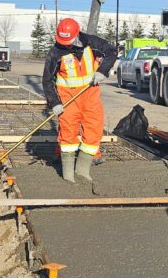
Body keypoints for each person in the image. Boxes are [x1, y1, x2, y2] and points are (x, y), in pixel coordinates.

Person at [42, 18, 117, 183]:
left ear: (77, 34)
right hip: (69, 101)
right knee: (67, 135)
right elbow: (47, 81)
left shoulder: (91, 42)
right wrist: (54, 102)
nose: (66, 45)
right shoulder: (55, 52)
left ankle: (83, 171)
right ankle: (68, 176)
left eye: (69, 41)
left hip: (90, 97)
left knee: (94, 131)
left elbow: (112, 51)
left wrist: (103, 71)